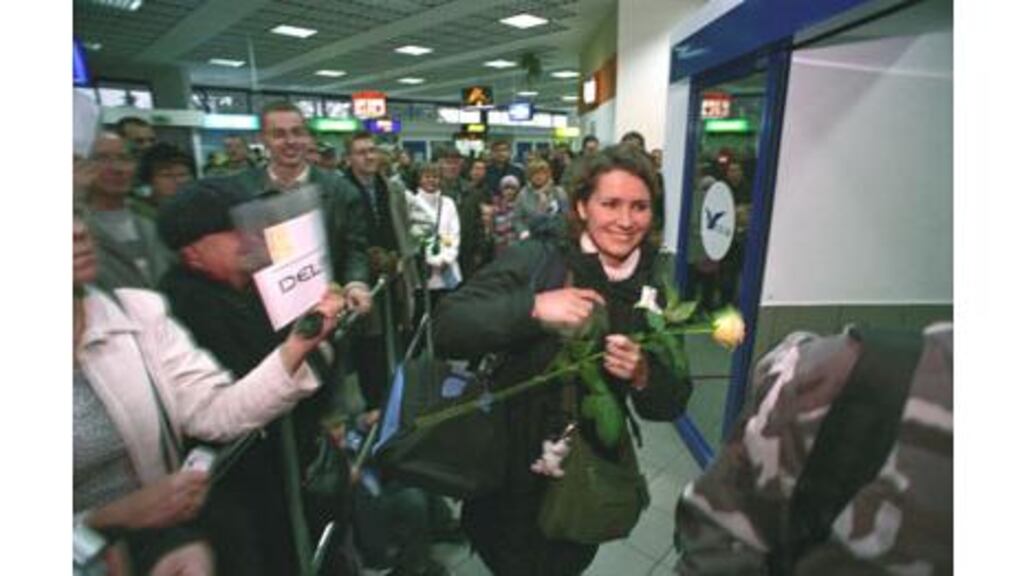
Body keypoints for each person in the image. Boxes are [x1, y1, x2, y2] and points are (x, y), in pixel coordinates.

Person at [432, 144, 693, 575]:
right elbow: (447, 326)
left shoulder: (653, 292)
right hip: (510, 467)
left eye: (640, 206)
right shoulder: (539, 259)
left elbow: (672, 402)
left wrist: (645, 373)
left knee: (566, 560)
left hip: (586, 473)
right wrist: (532, 308)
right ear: (581, 206)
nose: (626, 221)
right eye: (610, 203)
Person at [73, 200, 345, 575]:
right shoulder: (189, 298)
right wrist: (100, 520)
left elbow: (216, 411)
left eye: (75, 214)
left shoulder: (138, 317)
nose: (76, 231)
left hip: (162, 542)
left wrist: (298, 345)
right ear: (194, 252)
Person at [156, 178, 355, 575]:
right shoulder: (182, 305)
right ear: (193, 251)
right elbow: (255, 384)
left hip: (297, 459)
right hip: (247, 487)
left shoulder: (263, 284)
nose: (250, 237)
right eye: (232, 231)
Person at [231, 100, 372, 316]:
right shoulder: (240, 191)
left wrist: (355, 283)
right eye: (279, 134)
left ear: (308, 137)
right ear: (262, 140)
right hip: (261, 314)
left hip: (325, 312)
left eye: (297, 132)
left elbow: (355, 248)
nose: (290, 141)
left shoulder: (341, 192)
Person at [340, 131, 417, 410]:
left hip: (393, 274)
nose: (369, 156)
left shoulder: (391, 188)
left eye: (372, 150)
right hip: (361, 281)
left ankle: (395, 395)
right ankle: (375, 403)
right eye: (361, 152)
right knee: (368, 345)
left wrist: (402, 260)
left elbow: (403, 228)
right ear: (348, 158)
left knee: (394, 335)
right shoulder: (342, 191)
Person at [86, 132, 174, 290]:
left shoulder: (155, 219)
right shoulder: (78, 227)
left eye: (124, 159)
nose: (117, 168)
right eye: (102, 158)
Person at [407, 163, 461, 322]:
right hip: (423, 270)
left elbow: (453, 233)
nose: (432, 180)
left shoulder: (448, 203)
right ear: (419, 179)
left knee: (446, 319)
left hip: (447, 269)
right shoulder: (411, 202)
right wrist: (430, 260)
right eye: (427, 176)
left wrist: (445, 258)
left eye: (435, 177)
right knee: (422, 319)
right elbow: (413, 235)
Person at [130, 142, 195, 221]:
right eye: (167, 175)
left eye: (182, 175)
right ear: (149, 180)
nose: (178, 181)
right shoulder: (138, 213)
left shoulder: (198, 210)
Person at [512, 158, 569, 240]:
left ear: (548, 175)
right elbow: (517, 218)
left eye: (542, 173)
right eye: (535, 173)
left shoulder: (558, 192)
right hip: (530, 237)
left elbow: (566, 216)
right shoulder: (523, 194)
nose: (538, 176)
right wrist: (523, 232)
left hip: (555, 238)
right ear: (529, 176)